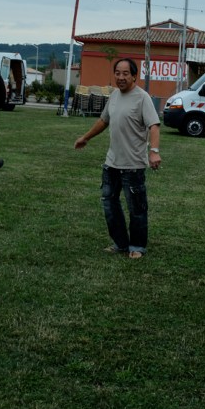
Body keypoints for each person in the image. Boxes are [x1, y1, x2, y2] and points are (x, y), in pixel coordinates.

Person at [74, 58, 161, 259]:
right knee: (110, 204)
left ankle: (137, 246)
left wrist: (154, 151)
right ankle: (120, 243)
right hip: (111, 163)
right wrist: (85, 137)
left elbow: (154, 125)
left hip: (133, 165)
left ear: (134, 76)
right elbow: (103, 120)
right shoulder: (114, 96)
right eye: (117, 73)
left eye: (125, 74)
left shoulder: (142, 98)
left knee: (136, 208)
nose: (121, 77)